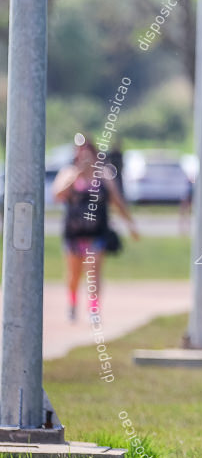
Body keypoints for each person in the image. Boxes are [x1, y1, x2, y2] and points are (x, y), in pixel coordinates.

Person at [53, 134, 139, 321]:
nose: (84, 154)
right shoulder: (69, 173)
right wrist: (77, 174)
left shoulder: (103, 175)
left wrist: (130, 224)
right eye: (80, 150)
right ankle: (73, 304)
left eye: (87, 149)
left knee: (93, 272)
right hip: (74, 233)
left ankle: (93, 309)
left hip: (96, 233)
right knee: (74, 274)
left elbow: (118, 202)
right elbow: (57, 195)